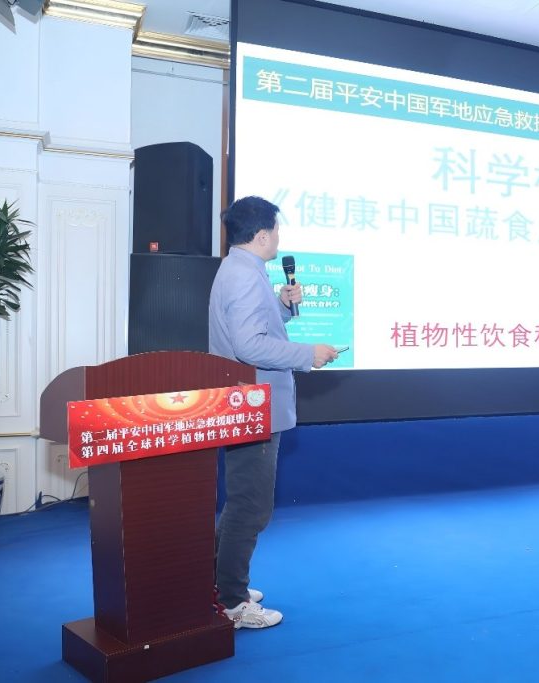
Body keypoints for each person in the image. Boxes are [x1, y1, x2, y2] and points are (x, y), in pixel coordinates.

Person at [209, 196, 338, 629]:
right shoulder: (245, 276)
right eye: (277, 230)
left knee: (242, 502)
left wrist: (282, 305)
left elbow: (253, 330)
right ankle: (232, 602)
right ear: (263, 234)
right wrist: (307, 354)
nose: (279, 238)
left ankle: (217, 583)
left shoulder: (240, 269)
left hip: (247, 404)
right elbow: (248, 345)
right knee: (251, 507)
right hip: (253, 407)